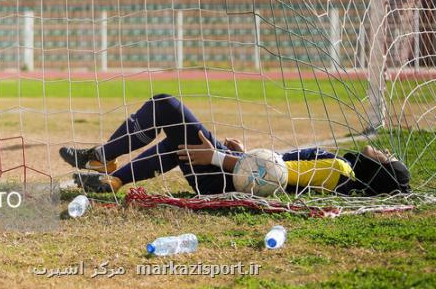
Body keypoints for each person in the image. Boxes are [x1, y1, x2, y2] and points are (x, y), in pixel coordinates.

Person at [59, 94, 411, 197]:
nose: (384, 152)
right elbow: (278, 173)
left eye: (387, 158)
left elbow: (271, 175)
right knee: (176, 134)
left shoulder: (337, 169)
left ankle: (104, 157)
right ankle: (112, 179)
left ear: (379, 171)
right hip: (230, 176)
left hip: (224, 182)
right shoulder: (340, 173)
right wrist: (240, 155)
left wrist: (214, 156)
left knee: (167, 107)